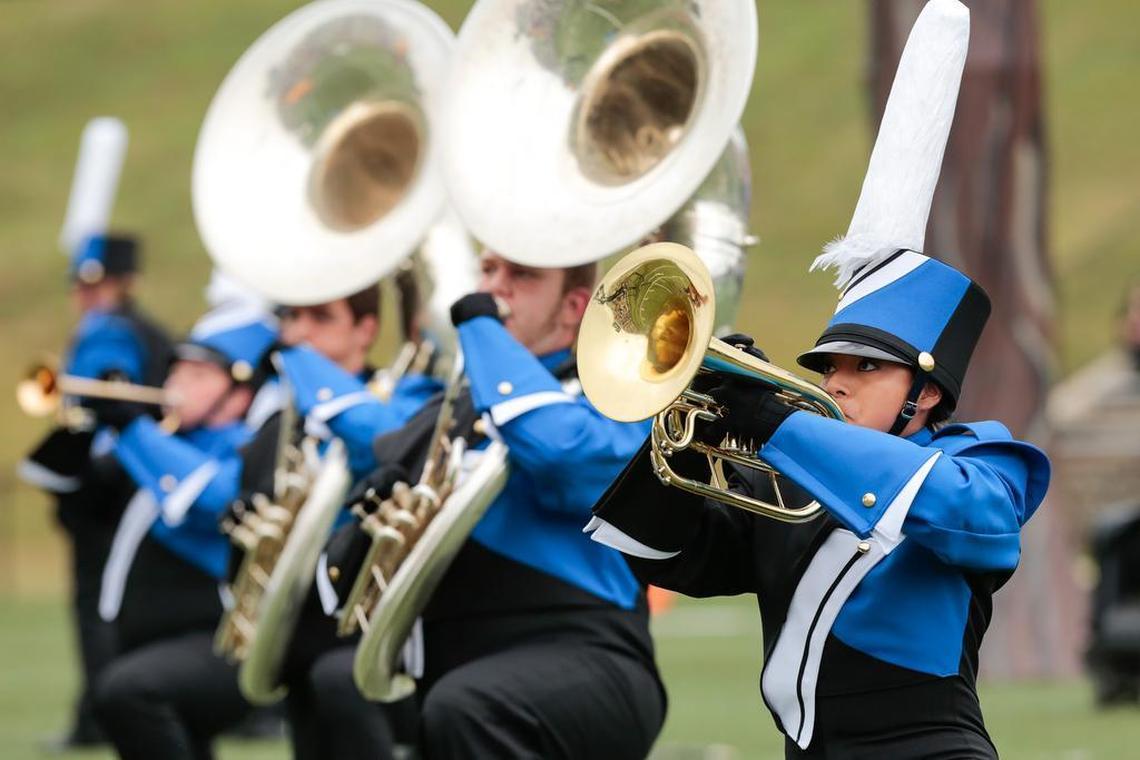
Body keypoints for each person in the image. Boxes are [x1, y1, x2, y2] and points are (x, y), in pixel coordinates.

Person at [588, 2, 1051, 757]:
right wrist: (687, 426)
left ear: (926, 390)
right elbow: (658, 556)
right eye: (829, 366)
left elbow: (975, 520)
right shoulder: (792, 481)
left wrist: (776, 423)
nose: (837, 383)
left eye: (866, 368)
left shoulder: (982, 460)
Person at [318, 251, 667, 760]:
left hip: (589, 654)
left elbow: (561, 456)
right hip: (454, 658)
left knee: (468, 707)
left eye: (522, 274)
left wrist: (480, 326)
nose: (495, 287)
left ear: (573, 307)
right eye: (487, 271)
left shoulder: (619, 398)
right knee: (333, 684)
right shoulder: (452, 407)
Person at [224, 282, 441, 760]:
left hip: (383, 631)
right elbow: (240, 560)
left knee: (337, 684)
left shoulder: (408, 397)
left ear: (366, 329)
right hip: (297, 638)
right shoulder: (272, 434)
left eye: (320, 318)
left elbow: (388, 443)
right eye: (291, 317)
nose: (299, 333)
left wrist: (301, 368)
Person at [91, 306, 277, 760]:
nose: (176, 385)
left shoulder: (251, 444)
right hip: (148, 637)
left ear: (239, 391)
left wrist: (133, 429)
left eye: (198, 375)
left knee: (128, 694)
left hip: (222, 641)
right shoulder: (166, 439)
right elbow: (72, 488)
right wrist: (96, 422)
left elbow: (214, 499)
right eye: (176, 370)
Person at [19, 232, 172, 749]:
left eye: (97, 283)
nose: (85, 294)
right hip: (135, 485)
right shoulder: (141, 329)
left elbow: (105, 401)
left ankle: (99, 717)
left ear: (125, 283)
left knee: (98, 608)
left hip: (108, 490)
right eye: (80, 286)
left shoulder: (109, 332)